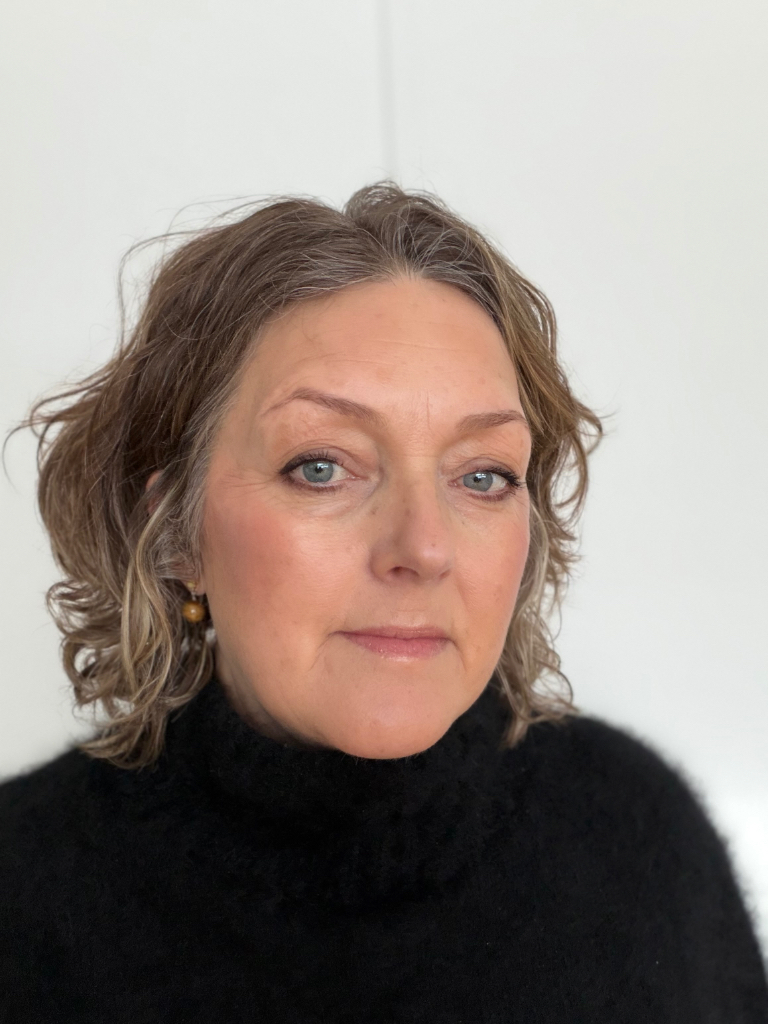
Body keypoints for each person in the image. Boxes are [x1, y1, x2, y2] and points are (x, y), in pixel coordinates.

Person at [0, 183, 765, 1023]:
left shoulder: (640, 837)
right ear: (174, 535)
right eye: (320, 467)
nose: (424, 549)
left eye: (483, 476)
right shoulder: (22, 889)